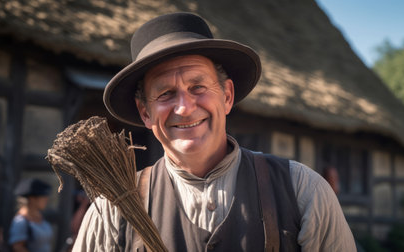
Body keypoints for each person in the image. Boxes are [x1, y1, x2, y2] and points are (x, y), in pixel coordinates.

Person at [73, 12, 357, 251]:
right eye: (166, 93)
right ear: (145, 112)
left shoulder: (303, 192)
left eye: (198, 87)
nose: (184, 108)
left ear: (227, 96)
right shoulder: (112, 211)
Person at [9, 178, 53, 252]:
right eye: (43, 196)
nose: (46, 200)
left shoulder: (40, 216)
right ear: (32, 199)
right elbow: (17, 247)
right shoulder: (21, 221)